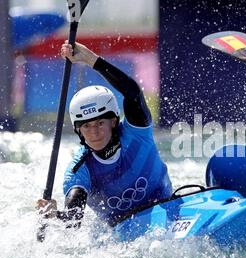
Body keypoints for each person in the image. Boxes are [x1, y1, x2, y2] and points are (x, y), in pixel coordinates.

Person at [36, 41, 172, 228]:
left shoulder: (136, 132)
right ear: (78, 131)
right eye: (86, 126)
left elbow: (132, 93)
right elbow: (73, 220)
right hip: (122, 234)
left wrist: (90, 59)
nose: (94, 132)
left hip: (167, 206)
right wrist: (54, 215)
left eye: (100, 123)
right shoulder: (79, 171)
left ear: (113, 121)